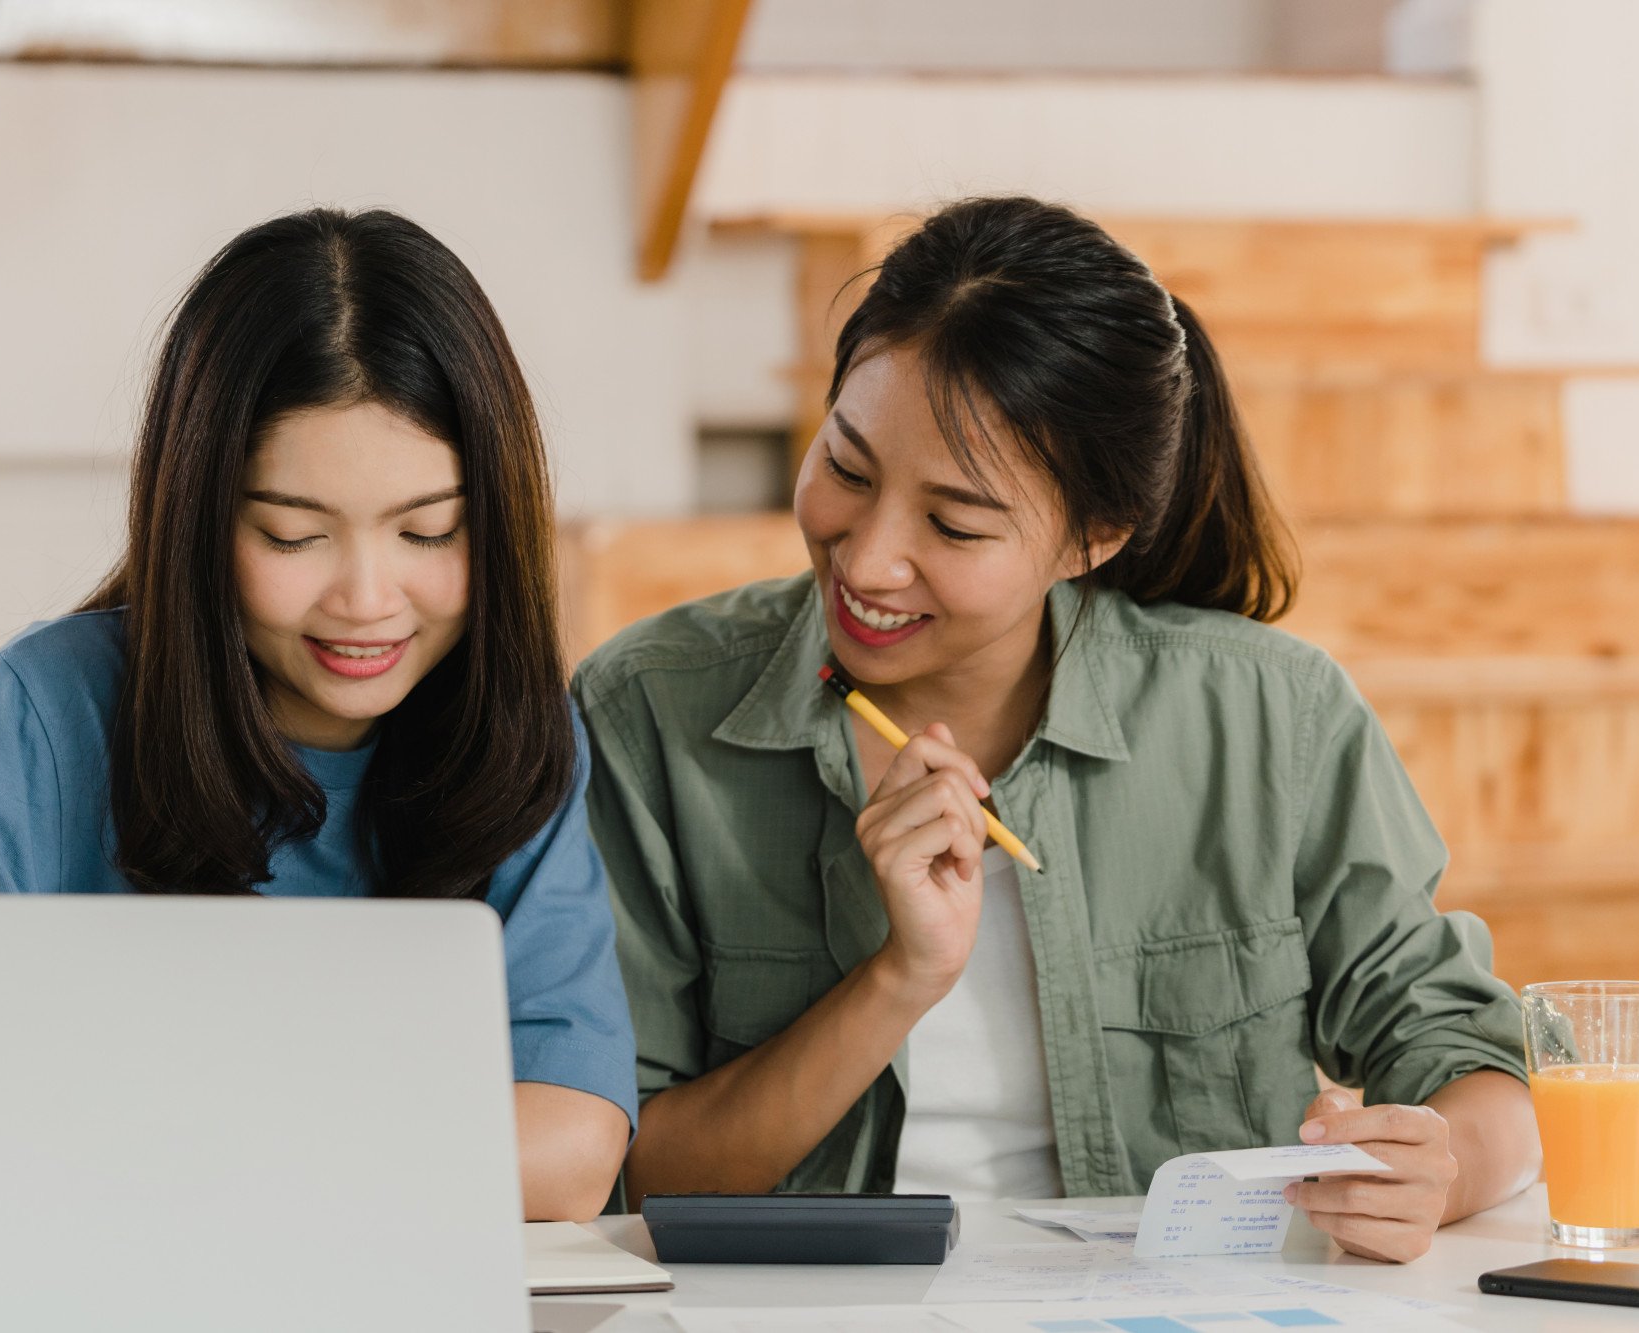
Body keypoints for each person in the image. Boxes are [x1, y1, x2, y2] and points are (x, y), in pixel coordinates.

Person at [572, 196, 1540, 1261]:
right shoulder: (649, 713)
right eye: (846, 466)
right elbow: (634, 1170)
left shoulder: (1267, 718)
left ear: (1092, 537)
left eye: (952, 523)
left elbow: (1469, 1056)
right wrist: (900, 977)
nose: (867, 557)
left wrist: (1436, 1168)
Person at [0, 207, 634, 1221]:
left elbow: (571, 1149)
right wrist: (394, 1141)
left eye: (428, 530)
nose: (368, 598)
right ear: (197, 520)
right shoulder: (43, 713)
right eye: (292, 536)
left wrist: (177, 1140)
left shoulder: (511, 735)